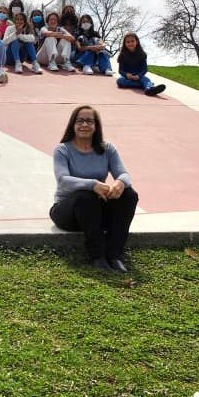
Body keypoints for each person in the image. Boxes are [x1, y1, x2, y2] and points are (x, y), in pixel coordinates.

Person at [50, 105, 138, 273]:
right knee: (86, 196)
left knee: (129, 194)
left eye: (89, 121)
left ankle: (114, 256)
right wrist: (92, 184)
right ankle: (97, 257)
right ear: (73, 125)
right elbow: (63, 180)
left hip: (95, 214)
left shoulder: (107, 149)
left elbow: (124, 174)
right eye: (80, 121)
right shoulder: (62, 150)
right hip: (68, 213)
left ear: (96, 126)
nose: (84, 125)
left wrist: (120, 183)